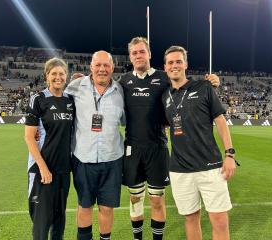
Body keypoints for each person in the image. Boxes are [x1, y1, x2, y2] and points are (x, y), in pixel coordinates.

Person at [119, 37, 220, 240]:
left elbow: (186, 87)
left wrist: (211, 82)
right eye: (134, 53)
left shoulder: (164, 77)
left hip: (158, 147)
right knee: (134, 198)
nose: (138, 55)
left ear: (149, 54)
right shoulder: (124, 81)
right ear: (130, 57)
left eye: (141, 51)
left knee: (157, 199)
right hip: (132, 148)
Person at [162, 45, 237, 240]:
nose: (175, 65)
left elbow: (220, 121)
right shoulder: (164, 96)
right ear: (165, 67)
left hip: (210, 167)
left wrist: (229, 154)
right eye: (170, 62)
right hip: (180, 169)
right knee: (190, 219)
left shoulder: (204, 87)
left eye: (179, 61)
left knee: (219, 219)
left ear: (186, 64)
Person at [65, 50, 125, 240]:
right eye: (98, 65)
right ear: (90, 67)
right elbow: (54, 102)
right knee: (85, 205)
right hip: (83, 157)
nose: (102, 69)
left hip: (112, 158)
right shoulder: (75, 87)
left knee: (107, 207)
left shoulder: (120, 90)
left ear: (112, 68)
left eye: (106, 65)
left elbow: (130, 118)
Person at [25, 57, 75, 240]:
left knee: (59, 221)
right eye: (54, 73)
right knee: (41, 223)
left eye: (61, 73)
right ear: (47, 76)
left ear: (66, 76)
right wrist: (43, 167)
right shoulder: (37, 99)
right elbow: (29, 137)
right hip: (42, 171)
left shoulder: (70, 101)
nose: (58, 77)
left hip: (63, 170)